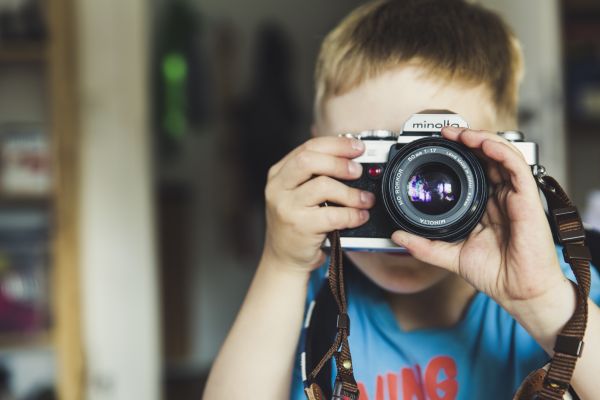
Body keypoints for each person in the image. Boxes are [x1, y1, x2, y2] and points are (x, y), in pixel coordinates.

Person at [203, 1, 600, 399]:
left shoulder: (556, 286)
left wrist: (544, 305)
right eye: (376, 157)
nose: (405, 204)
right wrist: (282, 263)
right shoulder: (308, 301)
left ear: (504, 157)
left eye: (439, 160)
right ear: (316, 150)